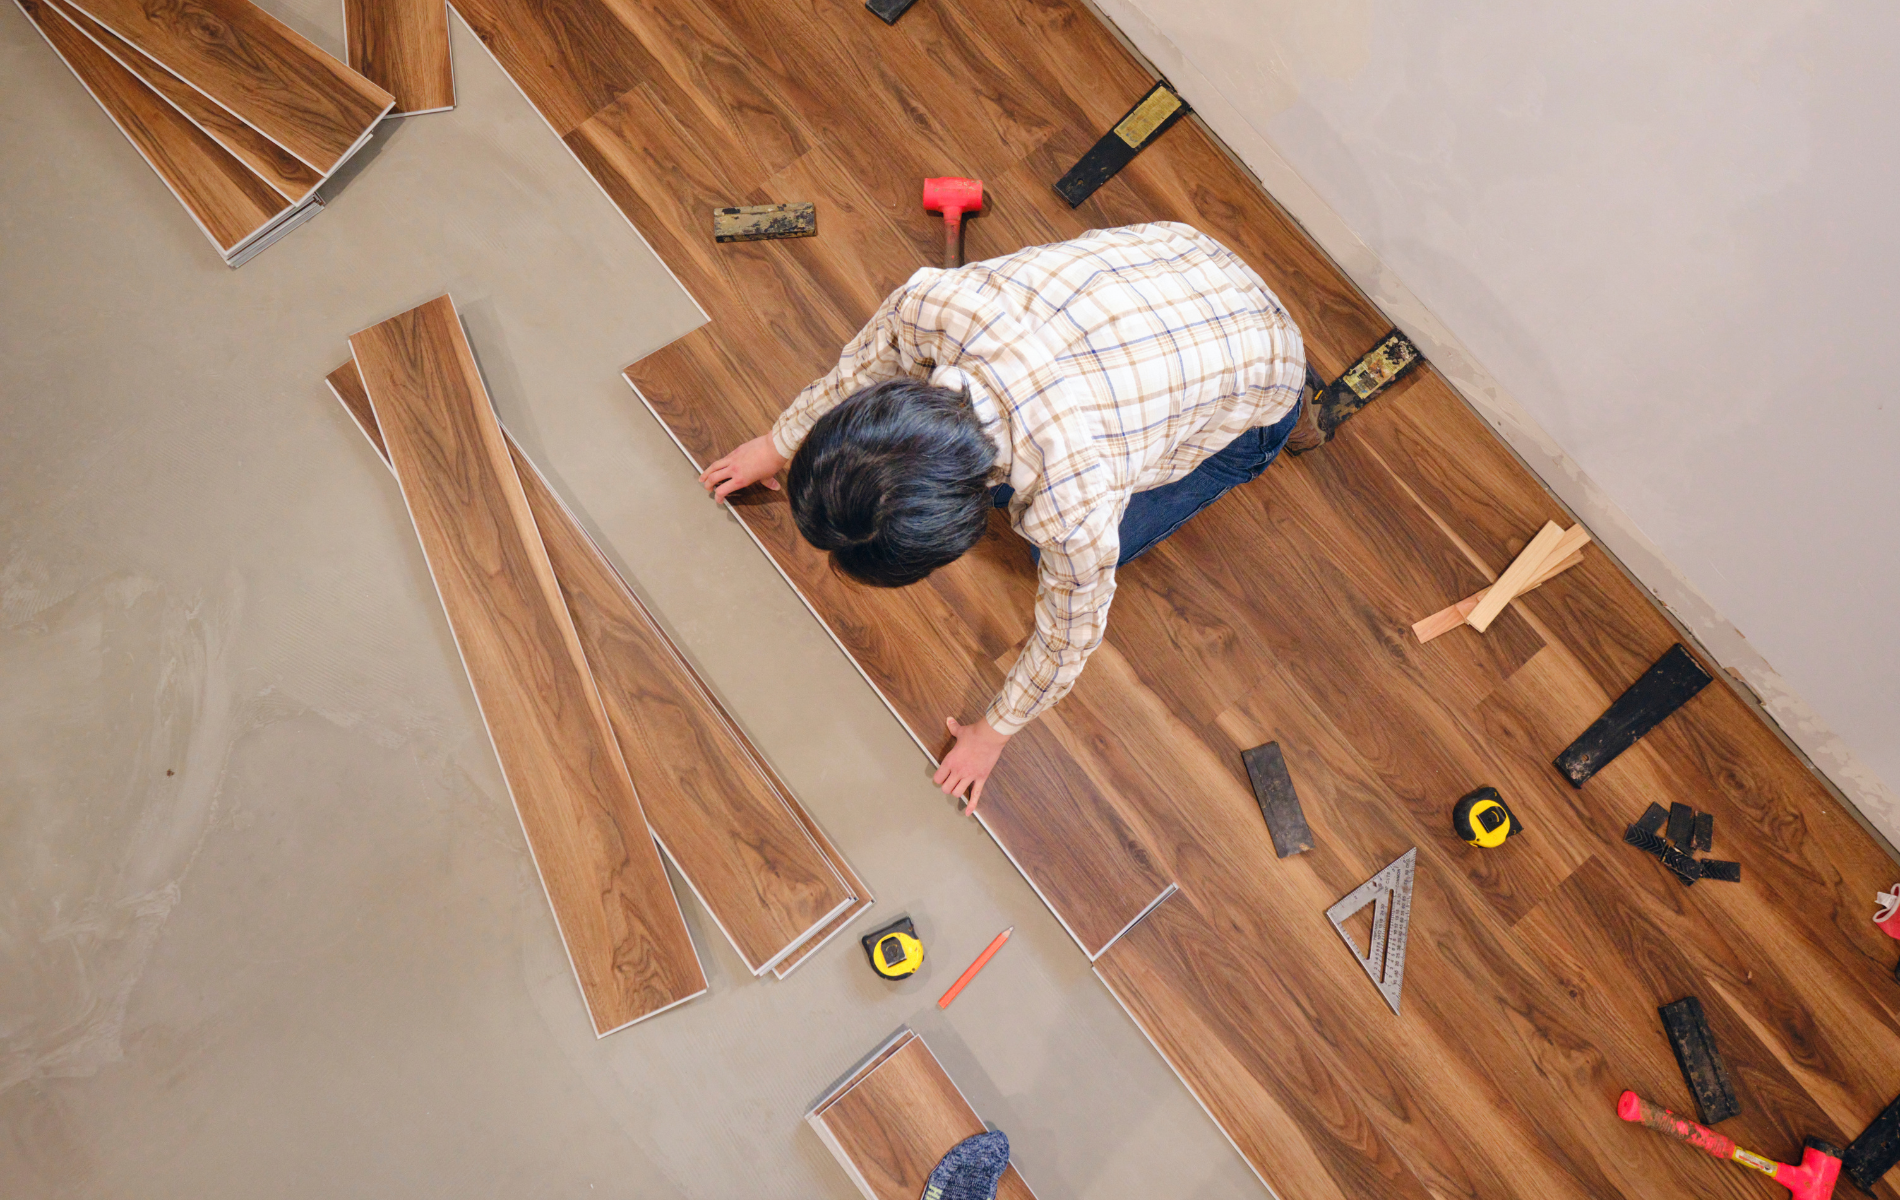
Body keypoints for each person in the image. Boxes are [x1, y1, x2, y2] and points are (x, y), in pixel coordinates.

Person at [700, 222, 1312, 812]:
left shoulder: (1074, 506)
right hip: (1179, 255)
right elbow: (858, 374)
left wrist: (992, 734)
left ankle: (1296, 423)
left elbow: (1068, 636)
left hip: (1264, 369)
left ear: (958, 530)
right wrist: (779, 444)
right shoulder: (933, 303)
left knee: (1082, 552)